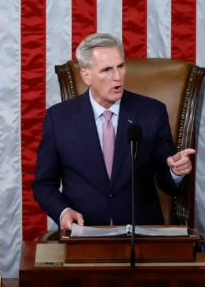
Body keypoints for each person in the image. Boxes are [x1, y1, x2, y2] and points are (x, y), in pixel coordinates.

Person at [32, 33, 196, 229]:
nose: (117, 77)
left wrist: (175, 171)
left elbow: (168, 183)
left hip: (141, 234)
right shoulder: (59, 119)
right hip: (84, 234)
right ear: (87, 76)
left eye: (120, 66)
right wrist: (63, 211)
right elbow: (43, 185)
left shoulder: (152, 113)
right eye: (107, 70)